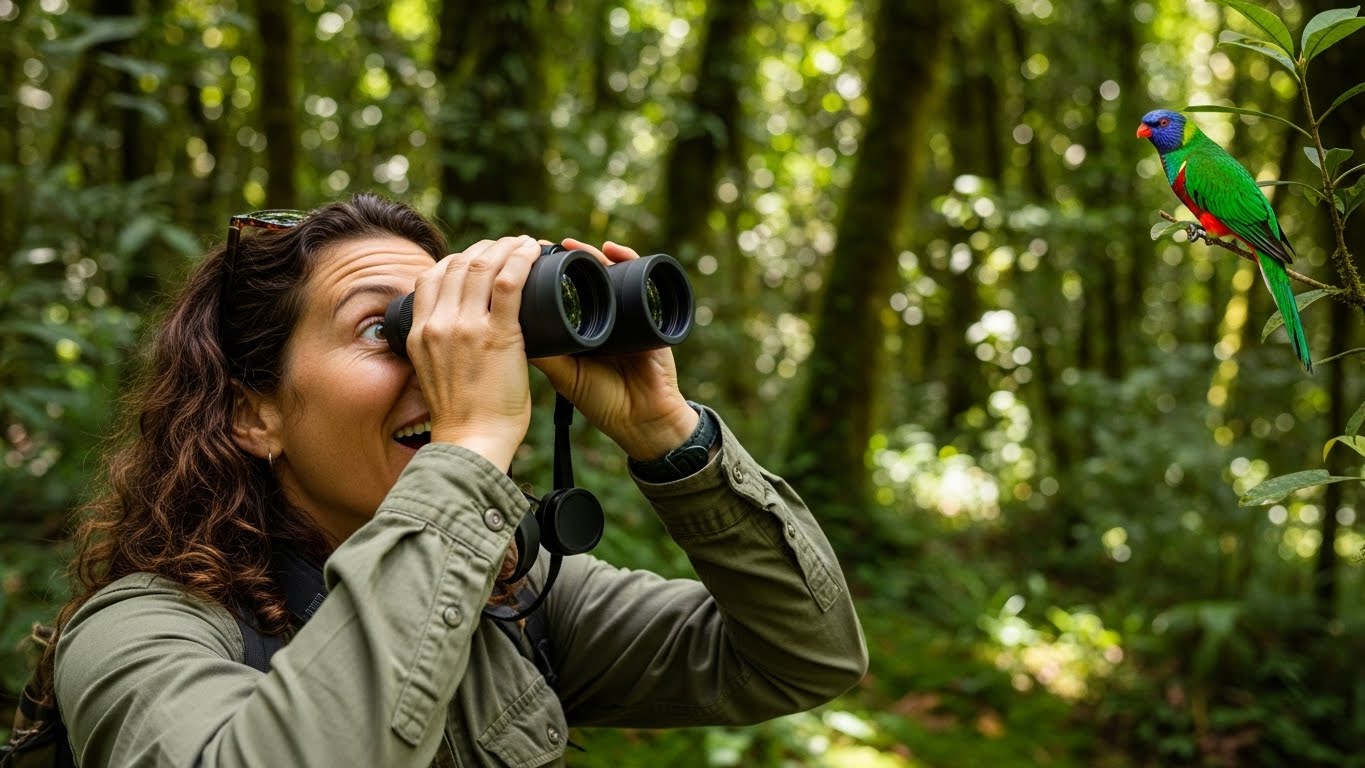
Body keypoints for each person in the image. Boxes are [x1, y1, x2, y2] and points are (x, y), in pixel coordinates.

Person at [43, 192, 867, 767]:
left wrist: (665, 434)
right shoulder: (142, 635)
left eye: (445, 320)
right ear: (251, 415)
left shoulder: (510, 599)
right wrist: (469, 441)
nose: (444, 358)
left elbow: (802, 658)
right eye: (389, 328)